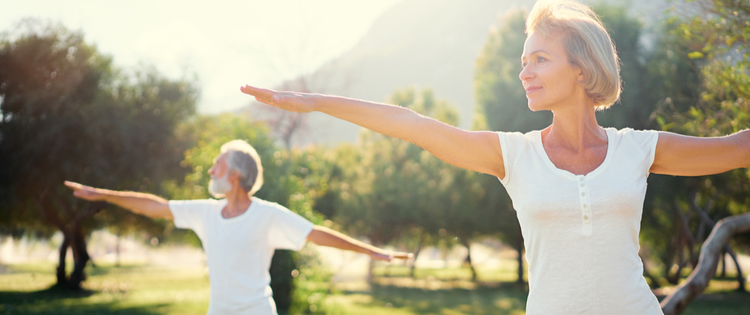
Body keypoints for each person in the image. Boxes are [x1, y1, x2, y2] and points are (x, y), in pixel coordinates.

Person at [239, 0, 750, 313]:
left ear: (581, 68)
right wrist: (312, 101)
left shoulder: (638, 149)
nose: (524, 72)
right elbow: (411, 124)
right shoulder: (513, 155)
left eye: (540, 59)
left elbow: (734, 149)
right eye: (522, 61)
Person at [65, 139, 411, 315]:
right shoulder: (206, 213)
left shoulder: (267, 215)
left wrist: (371, 250)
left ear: (235, 175)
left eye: (217, 165)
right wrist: (103, 195)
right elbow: (155, 206)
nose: (210, 170)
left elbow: (316, 235)